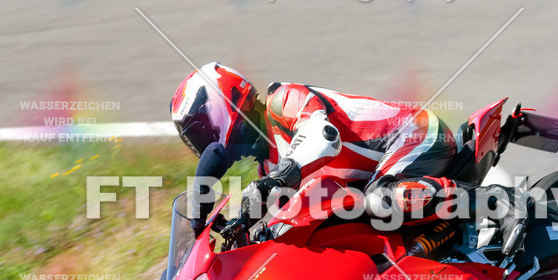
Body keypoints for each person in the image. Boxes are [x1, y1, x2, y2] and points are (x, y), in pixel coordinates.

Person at [170, 62, 520, 250]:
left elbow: (323, 139)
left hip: (413, 136)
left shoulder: (282, 103)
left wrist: (275, 182)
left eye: (201, 129)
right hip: (381, 172)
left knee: (383, 200)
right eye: (195, 137)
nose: (203, 142)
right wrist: (239, 228)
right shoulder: (268, 163)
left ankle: (500, 203)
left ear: (223, 103)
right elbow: (288, 210)